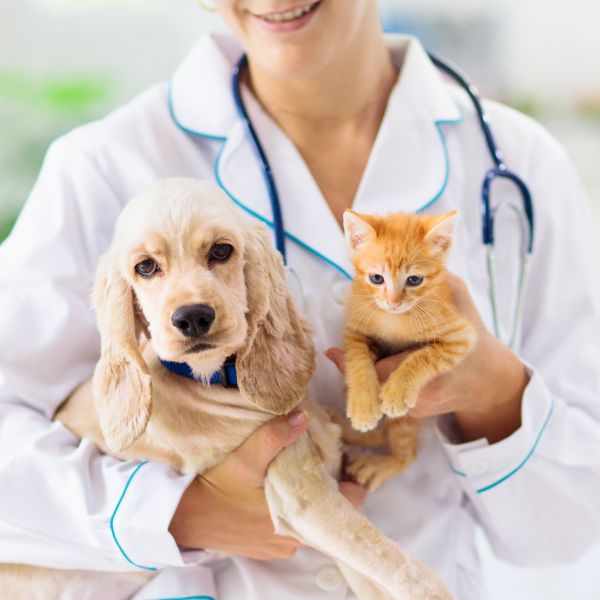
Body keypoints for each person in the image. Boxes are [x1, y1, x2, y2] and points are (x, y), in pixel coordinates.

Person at [0, 1, 599, 598]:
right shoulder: (103, 165)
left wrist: (494, 389)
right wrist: (176, 513)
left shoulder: (520, 162)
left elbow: (568, 531)